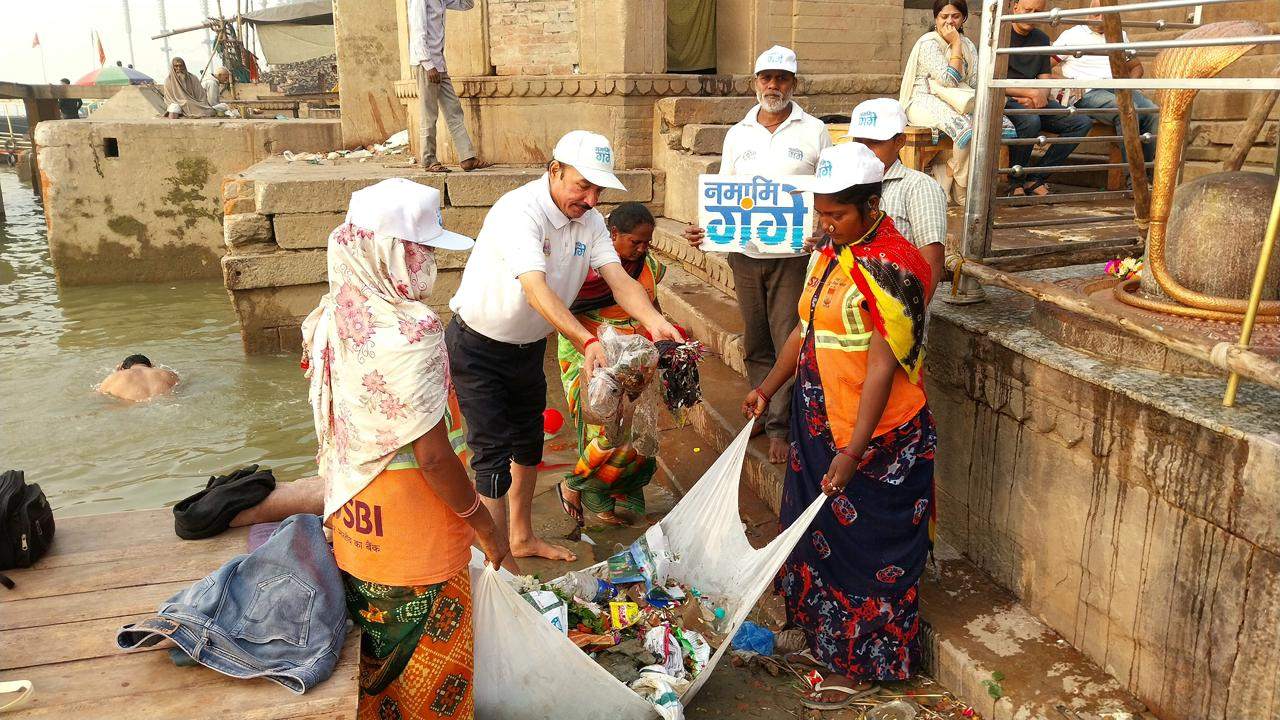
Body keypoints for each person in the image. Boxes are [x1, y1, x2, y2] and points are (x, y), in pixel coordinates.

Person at [301, 177, 510, 720]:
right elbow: (434, 456)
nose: (428, 265)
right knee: (432, 681)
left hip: (357, 520)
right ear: (393, 253)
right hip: (417, 534)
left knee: (376, 673)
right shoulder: (411, 330)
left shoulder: (330, 317)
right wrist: (484, 526)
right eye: (422, 251)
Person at [744, 143, 935, 710]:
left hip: (876, 436)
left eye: (837, 215)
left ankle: (868, 660)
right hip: (819, 417)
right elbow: (802, 333)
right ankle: (827, 643)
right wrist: (767, 389)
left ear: (872, 204)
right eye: (820, 213)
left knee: (871, 551)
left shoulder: (897, 266)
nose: (825, 225)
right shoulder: (829, 254)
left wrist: (852, 452)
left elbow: (882, 364)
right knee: (819, 536)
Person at [447, 130, 681, 562]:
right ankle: (499, 563)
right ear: (554, 171)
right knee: (491, 457)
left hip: (527, 347)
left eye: (599, 189)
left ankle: (521, 537)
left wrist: (657, 322)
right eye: (582, 185)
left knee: (529, 443)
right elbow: (535, 289)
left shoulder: (590, 222)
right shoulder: (519, 211)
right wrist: (586, 339)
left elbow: (620, 281)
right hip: (478, 345)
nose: (592, 199)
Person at [684, 45, 831, 464]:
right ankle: (760, 412)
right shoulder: (738, 134)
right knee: (756, 337)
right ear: (755, 83)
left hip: (792, 256)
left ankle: (783, 425)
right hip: (746, 254)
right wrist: (706, 229)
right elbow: (724, 194)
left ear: (793, 84)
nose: (773, 85)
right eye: (766, 77)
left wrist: (821, 227)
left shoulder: (814, 130)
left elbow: (825, 191)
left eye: (781, 78)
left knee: (788, 334)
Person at [557, 202, 664, 527]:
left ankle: (608, 497)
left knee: (639, 437)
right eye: (636, 242)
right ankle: (574, 485)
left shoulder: (651, 266)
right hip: (590, 356)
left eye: (648, 242)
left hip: (634, 361)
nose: (642, 249)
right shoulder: (585, 272)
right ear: (613, 234)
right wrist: (600, 353)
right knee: (605, 433)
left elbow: (651, 303)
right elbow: (563, 315)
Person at [900, 0, 1015, 204]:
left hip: (957, 101)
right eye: (944, 17)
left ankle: (954, 173)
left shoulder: (968, 44)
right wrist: (955, 45)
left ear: (964, 19)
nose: (949, 22)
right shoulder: (929, 42)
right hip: (923, 100)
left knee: (986, 120)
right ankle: (958, 183)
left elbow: (973, 82)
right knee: (965, 127)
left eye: (955, 16)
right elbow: (949, 80)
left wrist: (960, 43)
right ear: (936, 18)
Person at [845, 98, 947, 293]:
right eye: (858, 142)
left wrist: (914, 314)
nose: (864, 151)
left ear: (900, 141)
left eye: (874, 142)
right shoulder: (846, 183)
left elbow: (931, 259)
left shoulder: (919, 187)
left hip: (897, 308)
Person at [1052, 0, 1158, 166]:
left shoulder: (1119, 35)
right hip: (1088, 91)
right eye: (1095, 13)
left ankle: (1146, 174)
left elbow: (1136, 67)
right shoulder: (1072, 35)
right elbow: (1044, 66)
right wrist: (1066, 82)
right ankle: (1134, 181)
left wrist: (1131, 85)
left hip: (1118, 87)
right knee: (1126, 110)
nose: (1099, 18)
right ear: (1088, 12)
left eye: (1104, 14)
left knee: (1153, 111)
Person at [1004, 0, 1093, 196]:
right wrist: (1029, 93)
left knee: (1081, 122)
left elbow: (1045, 78)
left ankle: (1036, 178)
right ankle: (1015, 181)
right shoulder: (1001, 36)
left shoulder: (1041, 38)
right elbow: (993, 80)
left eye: (1038, 11)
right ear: (1015, 7)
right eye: (1028, 10)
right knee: (1030, 120)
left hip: (1036, 99)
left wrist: (1040, 95)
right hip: (1006, 99)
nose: (1032, 15)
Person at [408, 0, 491, 172]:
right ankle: (429, 160)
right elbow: (417, 31)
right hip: (426, 65)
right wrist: (428, 64)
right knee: (429, 114)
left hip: (439, 65)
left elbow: (467, 4)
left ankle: (467, 158)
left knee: (454, 110)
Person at [98, 354, 179, 402]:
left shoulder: (115, 377)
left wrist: (118, 372)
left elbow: (98, 396)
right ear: (151, 366)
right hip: (163, 404)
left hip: (131, 409)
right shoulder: (169, 374)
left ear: (122, 368)